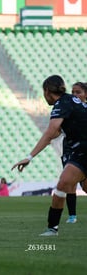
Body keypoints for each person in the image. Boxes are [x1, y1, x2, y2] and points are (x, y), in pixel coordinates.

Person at [11, 75, 87, 236]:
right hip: (81, 150)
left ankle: (52, 228)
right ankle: (52, 228)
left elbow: (51, 132)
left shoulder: (61, 104)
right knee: (72, 185)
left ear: (47, 91)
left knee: (63, 184)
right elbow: (56, 133)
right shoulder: (70, 102)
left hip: (82, 150)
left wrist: (29, 157)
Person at [61, 82, 87, 223]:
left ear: (86, 95)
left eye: (79, 92)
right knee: (69, 182)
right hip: (70, 148)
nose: (75, 95)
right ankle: (72, 216)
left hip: (84, 148)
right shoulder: (68, 109)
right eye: (73, 92)